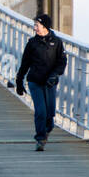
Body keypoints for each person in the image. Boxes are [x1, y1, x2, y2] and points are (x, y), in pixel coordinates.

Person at [15, 12, 67, 151]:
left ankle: (47, 129)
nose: (35, 28)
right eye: (35, 25)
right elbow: (25, 63)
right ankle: (40, 139)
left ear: (45, 26)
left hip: (50, 82)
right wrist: (19, 81)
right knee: (40, 111)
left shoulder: (57, 42)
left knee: (49, 114)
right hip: (35, 81)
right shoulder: (32, 43)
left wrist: (55, 75)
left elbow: (62, 62)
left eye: (37, 25)